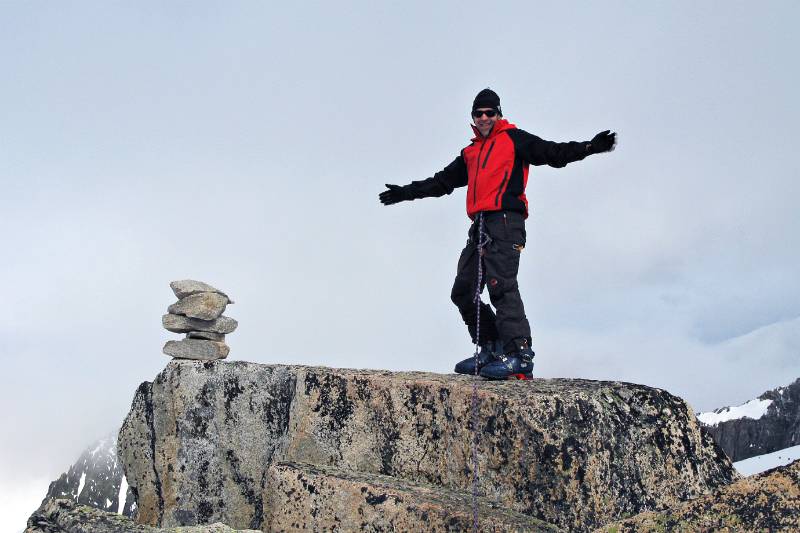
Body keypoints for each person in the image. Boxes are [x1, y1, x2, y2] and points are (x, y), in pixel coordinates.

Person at [379, 88, 616, 380]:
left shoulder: (514, 140)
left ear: (499, 114)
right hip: (479, 226)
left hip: (506, 222)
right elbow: (442, 182)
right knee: (463, 291)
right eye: (478, 114)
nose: (484, 118)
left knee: (501, 287)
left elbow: (553, 153)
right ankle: (492, 347)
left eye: (489, 113)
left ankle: (520, 355)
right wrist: (405, 193)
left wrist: (589, 147)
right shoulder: (470, 153)